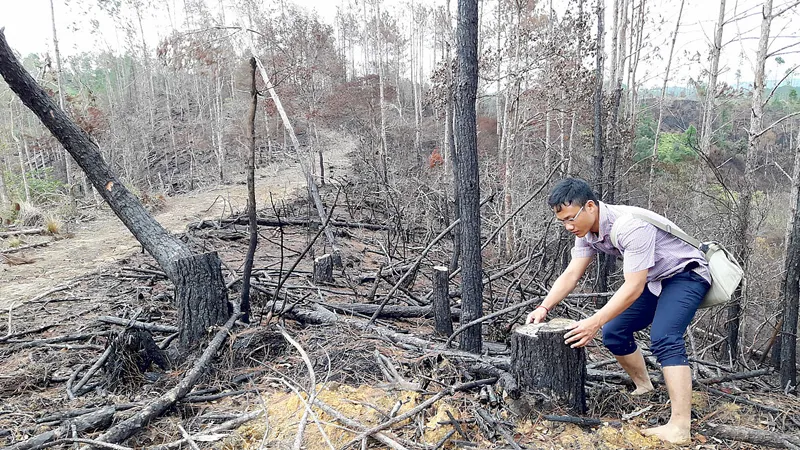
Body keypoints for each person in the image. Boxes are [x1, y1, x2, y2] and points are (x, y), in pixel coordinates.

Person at [526, 178, 711, 445]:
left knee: (664, 337)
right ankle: (644, 386)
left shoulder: (630, 227)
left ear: (590, 206)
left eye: (571, 218)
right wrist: (544, 307)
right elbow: (571, 274)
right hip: (656, 278)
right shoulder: (586, 232)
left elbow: (634, 287)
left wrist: (594, 321)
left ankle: (680, 427)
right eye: (562, 221)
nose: (568, 227)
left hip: (686, 274)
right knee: (614, 331)